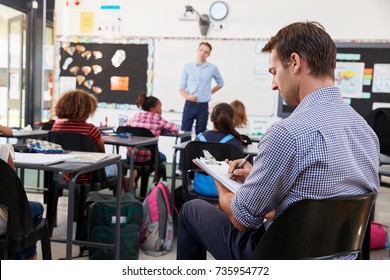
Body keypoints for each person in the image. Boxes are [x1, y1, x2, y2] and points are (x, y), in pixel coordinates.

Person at [176, 21, 380, 260]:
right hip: (341, 261)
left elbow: (242, 219)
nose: (273, 84)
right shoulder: (366, 132)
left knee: (192, 210)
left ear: (295, 62)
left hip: (278, 257)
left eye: (274, 72)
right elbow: (313, 199)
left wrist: (221, 183)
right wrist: (258, 175)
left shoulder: (286, 134)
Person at [52, 89, 123, 188]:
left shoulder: (56, 128)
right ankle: (124, 189)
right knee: (119, 165)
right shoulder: (91, 129)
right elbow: (102, 154)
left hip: (68, 173)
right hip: (92, 174)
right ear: (87, 110)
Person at [177, 42, 224, 176]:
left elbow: (220, 83)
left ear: (209, 54)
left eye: (206, 52)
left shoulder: (213, 68)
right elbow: (181, 87)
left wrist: (208, 93)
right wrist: (188, 96)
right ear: (197, 50)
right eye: (201, 50)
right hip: (189, 105)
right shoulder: (187, 67)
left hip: (203, 106)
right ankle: (181, 167)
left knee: (200, 137)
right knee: (185, 135)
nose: (203, 53)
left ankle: (196, 168)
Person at [124, 92, 179, 187]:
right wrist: (161, 129)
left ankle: (135, 175)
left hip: (131, 155)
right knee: (162, 159)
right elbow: (175, 130)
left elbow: (124, 127)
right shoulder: (158, 118)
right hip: (148, 157)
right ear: (152, 109)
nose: (161, 110)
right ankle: (154, 186)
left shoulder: (136, 116)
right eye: (159, 107)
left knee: (141, 152)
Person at [0, 144, 44, 260]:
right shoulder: (2, 150)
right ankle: (29, 256)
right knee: (36, 208)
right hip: (5, 222)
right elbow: (14, 190)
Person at [193, 103, 243, 197]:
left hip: (200, 186)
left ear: (211, 118)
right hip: (225, 189)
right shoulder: (234, 142)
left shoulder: (198, 139)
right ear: (232, 120)